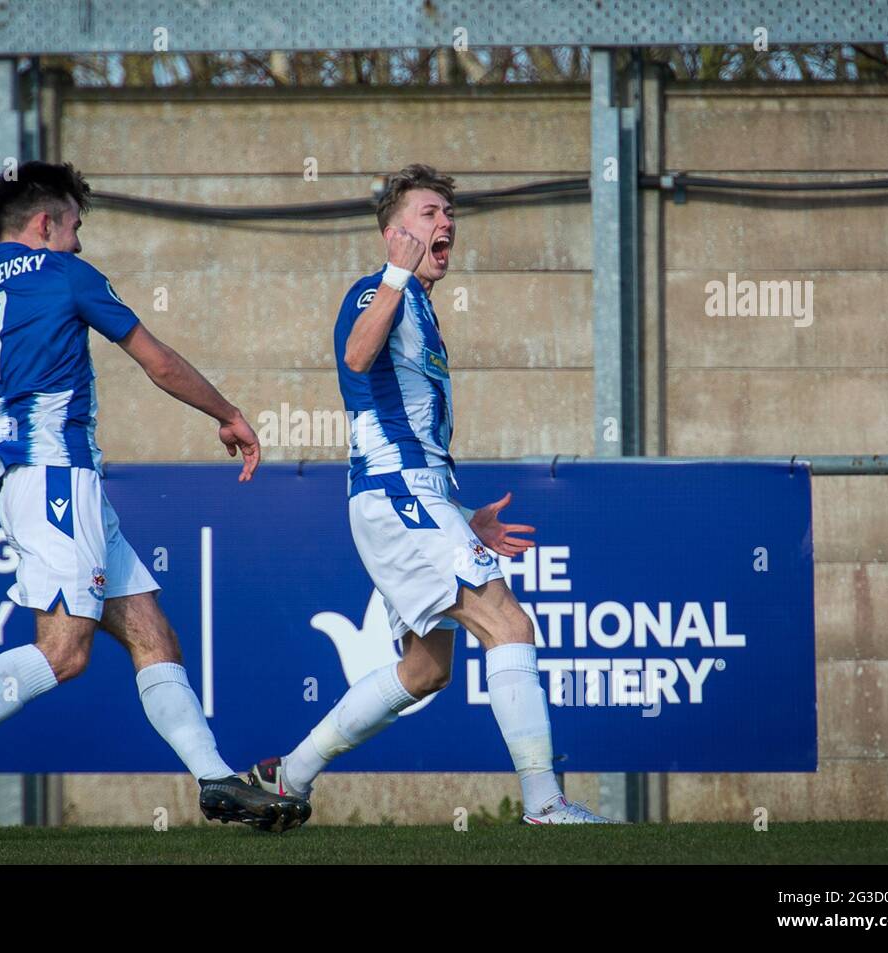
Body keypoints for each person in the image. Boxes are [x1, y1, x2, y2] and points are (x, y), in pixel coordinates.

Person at [0, 160, 310, 840]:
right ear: (45, 224)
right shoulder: (66, 275)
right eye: (76, 226)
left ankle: (214, 778)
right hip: (53, 481)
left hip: (37, 487)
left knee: (150, 630)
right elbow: (156, 358)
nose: (80, 241)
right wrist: (228, 413)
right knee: (65, 651)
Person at [250, 164, 616, 824]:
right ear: (394, 233)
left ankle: (291, 774)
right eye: (429, 213)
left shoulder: (418, 305)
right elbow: (356, 358)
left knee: (424, 669)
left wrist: (462, 515)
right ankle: (544, 803)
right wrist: (392, 273)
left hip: (417, 497)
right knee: (509, 624)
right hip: (396, 494)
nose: (445, 222)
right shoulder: (376, 291)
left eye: (449, 213)